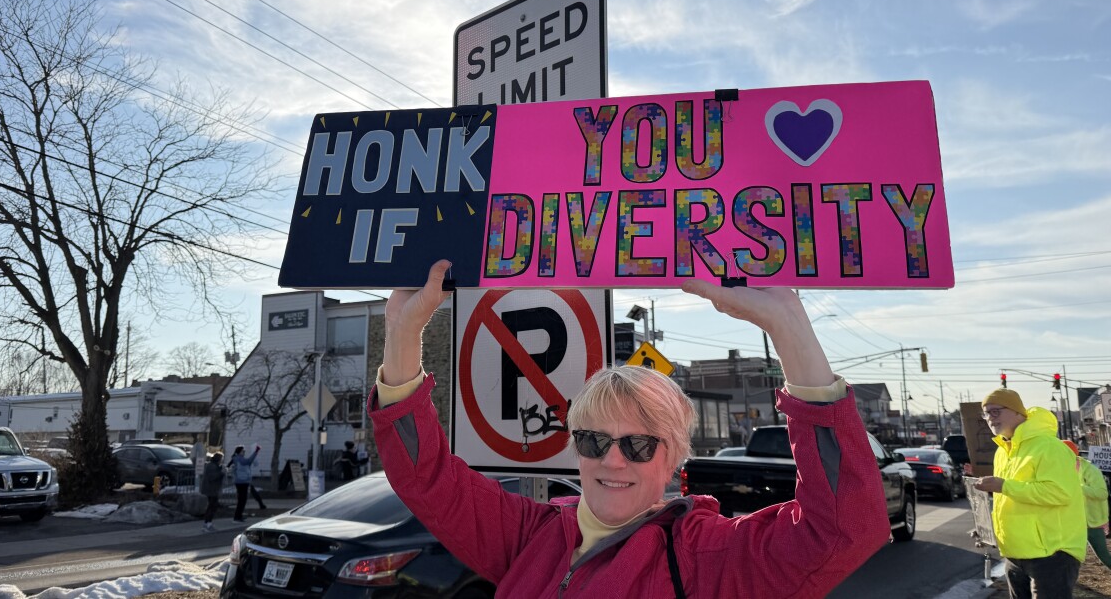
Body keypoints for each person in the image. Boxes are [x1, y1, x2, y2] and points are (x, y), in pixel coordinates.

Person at [368, 260, 889, 598]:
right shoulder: (531, 536)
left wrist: (787, 325)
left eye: (639, 445)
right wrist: (402, 331)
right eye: (593, 440)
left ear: (674, 458)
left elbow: (844, 528)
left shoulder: (708, 559)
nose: (612, 460)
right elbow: (427, 478)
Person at [973, 389, 1085, 598]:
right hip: (1016, 553)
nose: (989, 419)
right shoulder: (1002, 451)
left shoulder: (1049, 447)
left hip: (1052, 553)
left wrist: (1004, 486)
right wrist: (987, 527)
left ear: (1017, 412)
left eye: (995, 412)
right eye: (986, 414)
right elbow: (1010, 500)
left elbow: (1059, 493)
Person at [1063, 440, 1111, 568]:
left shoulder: (1091, 470)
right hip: (1071, 522)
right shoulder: (1059, 469)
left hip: (1092, 522)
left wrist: (1078, 488)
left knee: (1104, 557)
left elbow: (1102, 494)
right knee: (1064, 557)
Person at [227, 444, 266, 522]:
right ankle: (237, 517)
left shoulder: (237, 458)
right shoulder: (239, 459)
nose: (244, 452)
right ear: (239, 452)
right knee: (242, 500)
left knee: (242, 500)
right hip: (242, 481)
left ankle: (238, 516)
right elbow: (248, 461)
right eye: (243, 451)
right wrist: (256, 451)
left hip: (242, 481)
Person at [201, 452, 224, 532]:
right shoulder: (212, 466)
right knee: (212, 507)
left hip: (211, 489)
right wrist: (221, 473)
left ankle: (207, 523)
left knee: (212, 506)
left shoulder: (212, 465)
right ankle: (208, 524)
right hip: (211, 490)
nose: (222, 461)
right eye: (221, 459)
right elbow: (213, 477)